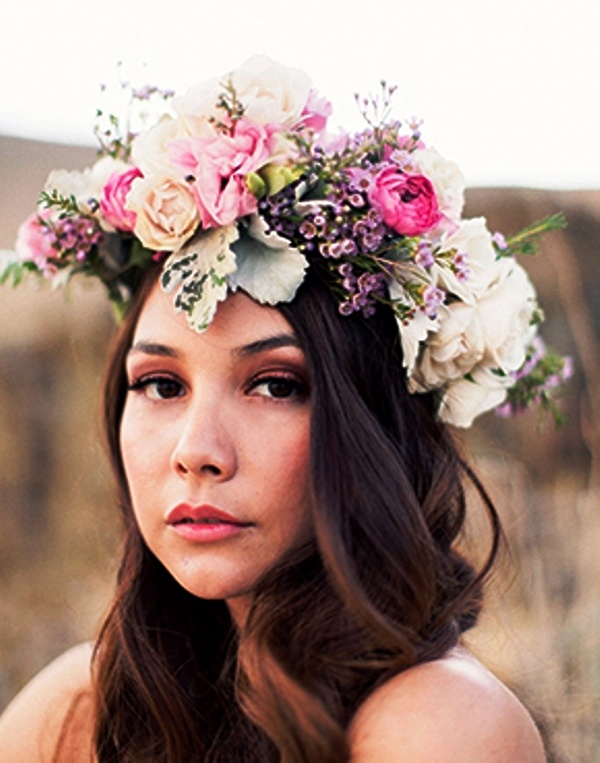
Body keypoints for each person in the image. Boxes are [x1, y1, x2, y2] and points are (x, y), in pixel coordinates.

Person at [0, 56, 565, 761]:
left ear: (374, 425)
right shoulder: (78, 710)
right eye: (161, 385)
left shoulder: (441, 722)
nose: (196, 449)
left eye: (275, 385)